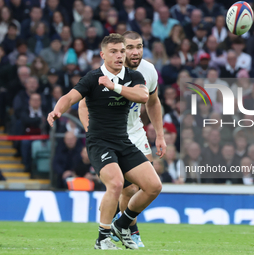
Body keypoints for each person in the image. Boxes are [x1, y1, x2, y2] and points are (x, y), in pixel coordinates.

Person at [47, 33, 162, 250]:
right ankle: (103, 238)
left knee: (154, 186)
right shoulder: (92, 78)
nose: (120, 55)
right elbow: (70, 97)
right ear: (103, 55)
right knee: (117, 184)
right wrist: (57, 110)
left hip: (124, 141)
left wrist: (113, 86)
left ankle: (123, 223)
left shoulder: (134, 76)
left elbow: (143, 97)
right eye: (114, 51)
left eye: (122, 51)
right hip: (100, 142)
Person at [78, 31, 166, 248]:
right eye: (130, 47)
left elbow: (152, 102)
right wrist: (93, 134)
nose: (135, 52)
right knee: (126, 188)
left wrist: (160, 135)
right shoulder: (104, 73)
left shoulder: (147, 71)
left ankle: (123, 224)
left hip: (135, 132)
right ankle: (128, 230)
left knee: (146, 185)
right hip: (108, 135)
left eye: (140, 46)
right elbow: (81, 104)